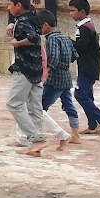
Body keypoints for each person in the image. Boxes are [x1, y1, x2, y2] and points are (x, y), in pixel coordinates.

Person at [4, 0, 69, 156]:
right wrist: (12, 23)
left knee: (14, 103)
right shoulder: (32, 16)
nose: (8, 8)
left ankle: (35, 137)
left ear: (18, 5)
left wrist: (17, 44)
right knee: (35, 108)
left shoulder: (25, 22)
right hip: (36, 69)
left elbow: (32, 38)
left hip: (25, 68)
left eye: (10, 5)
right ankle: (36, 146)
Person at [69, 0, 100, 134]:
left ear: (81, 12)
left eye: (73, 11)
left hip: (88, 66)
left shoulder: (84, 28)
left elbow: (82, 47)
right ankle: (92, 125)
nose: (71, 14)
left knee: (80, 95)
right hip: (89, 65)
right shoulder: (87, 25)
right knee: (87, 95)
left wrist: (70, 43)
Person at [40, 15, 83, 144]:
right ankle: (76, 134)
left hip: (55, 78)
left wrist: (45, 72)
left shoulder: (52, 39)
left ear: (46, 25)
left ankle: (35, 134)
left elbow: (52, 58)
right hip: (66, 76)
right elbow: (74, 55)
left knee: (40, 107)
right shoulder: (65, 38)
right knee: (68, 105)